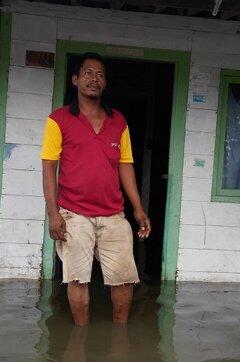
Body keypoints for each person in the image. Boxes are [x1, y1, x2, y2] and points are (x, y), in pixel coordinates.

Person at [41, 52, 152, 327]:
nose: (94, 79)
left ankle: (119, 336)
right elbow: (48, 169)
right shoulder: (58, 120)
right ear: (76, 80)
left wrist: (138, 208)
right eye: (88, 73)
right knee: (78, 278)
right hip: (73, 214)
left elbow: (125, 166)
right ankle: (81, 338)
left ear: (105, 84)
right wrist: (54, 214)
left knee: (124, 278)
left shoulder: (119, 122)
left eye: (100, 75)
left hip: (113, 214)